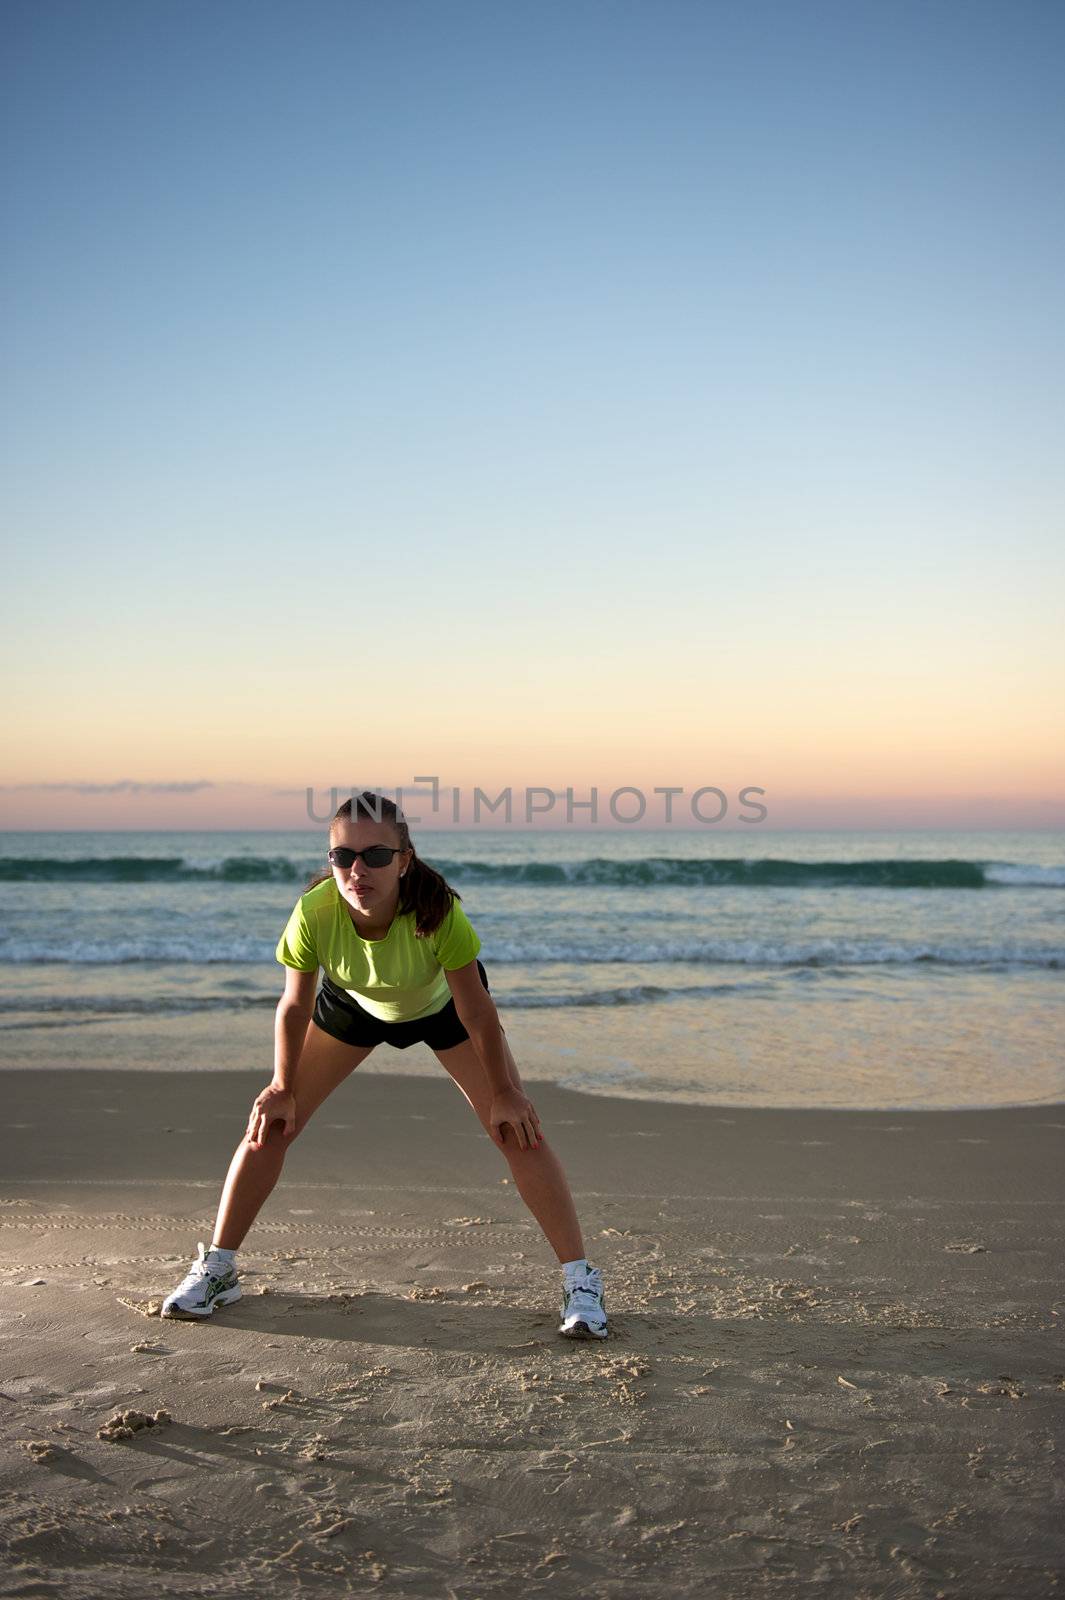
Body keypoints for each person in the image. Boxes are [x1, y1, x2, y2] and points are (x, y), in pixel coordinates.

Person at [161, 791, 608, 1339]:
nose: (357, 869)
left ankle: (580, 1281)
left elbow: (476, 1009)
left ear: (404, 858)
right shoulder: (315, 911)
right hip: (354, 1006)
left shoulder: (436, 910)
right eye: (342, 856)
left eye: (375, 855)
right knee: (271, 1123)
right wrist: (280, 1084)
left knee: (517, 1130)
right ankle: (218, 1270)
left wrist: (506, 1090)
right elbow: (295, 1004)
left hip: (442, 1009)